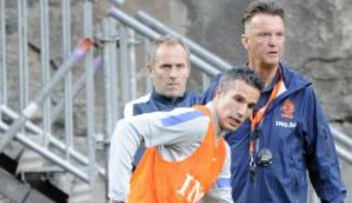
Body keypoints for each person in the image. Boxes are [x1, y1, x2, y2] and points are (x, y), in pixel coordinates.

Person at [203, 1, 346, 202]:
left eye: (279, 35)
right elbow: (198, 148)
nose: (273, 42)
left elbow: (325, 163)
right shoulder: (222, 89)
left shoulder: (301, 92)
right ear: (246, 41)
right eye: (264, 35)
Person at [108, 67, 264, 203]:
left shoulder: (223, 151)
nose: (242, 111)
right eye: (238, 99)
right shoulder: (197, 121)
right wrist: (118, 197)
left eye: (250, 106)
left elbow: (221, 199)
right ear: (219, 93)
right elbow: (127, 128)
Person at [123, 36, 202, 168]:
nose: (173, 74)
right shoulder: (135, 109)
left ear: (188, 70)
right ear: (150, 70)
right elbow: (140, 163)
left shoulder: (203, 106)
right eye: (166, 67)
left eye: (179, 66)